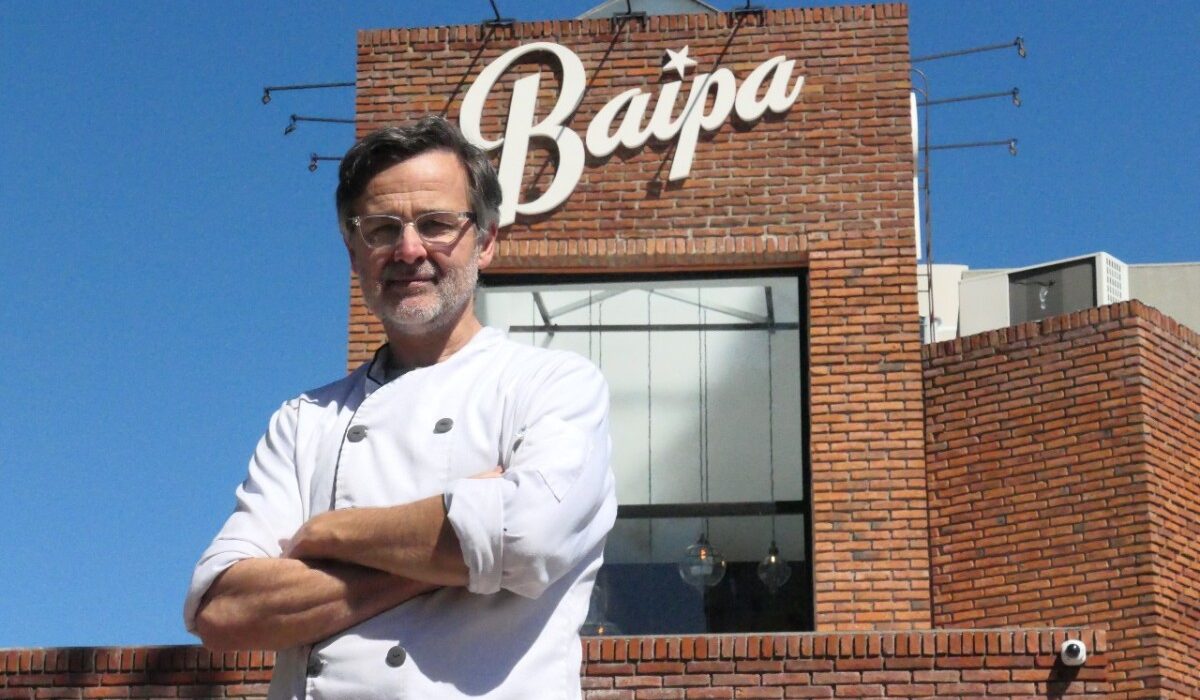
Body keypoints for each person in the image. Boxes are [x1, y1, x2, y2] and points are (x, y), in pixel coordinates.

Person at [183, 115, 617, 699]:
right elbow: (224, 612)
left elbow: (527, 537)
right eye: (382, 229)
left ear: (486, 241)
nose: (409, 250)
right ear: (353, 253)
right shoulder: (304, 421)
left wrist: (331, 531)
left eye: (436, 224)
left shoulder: (552, 385)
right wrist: (454, 546)